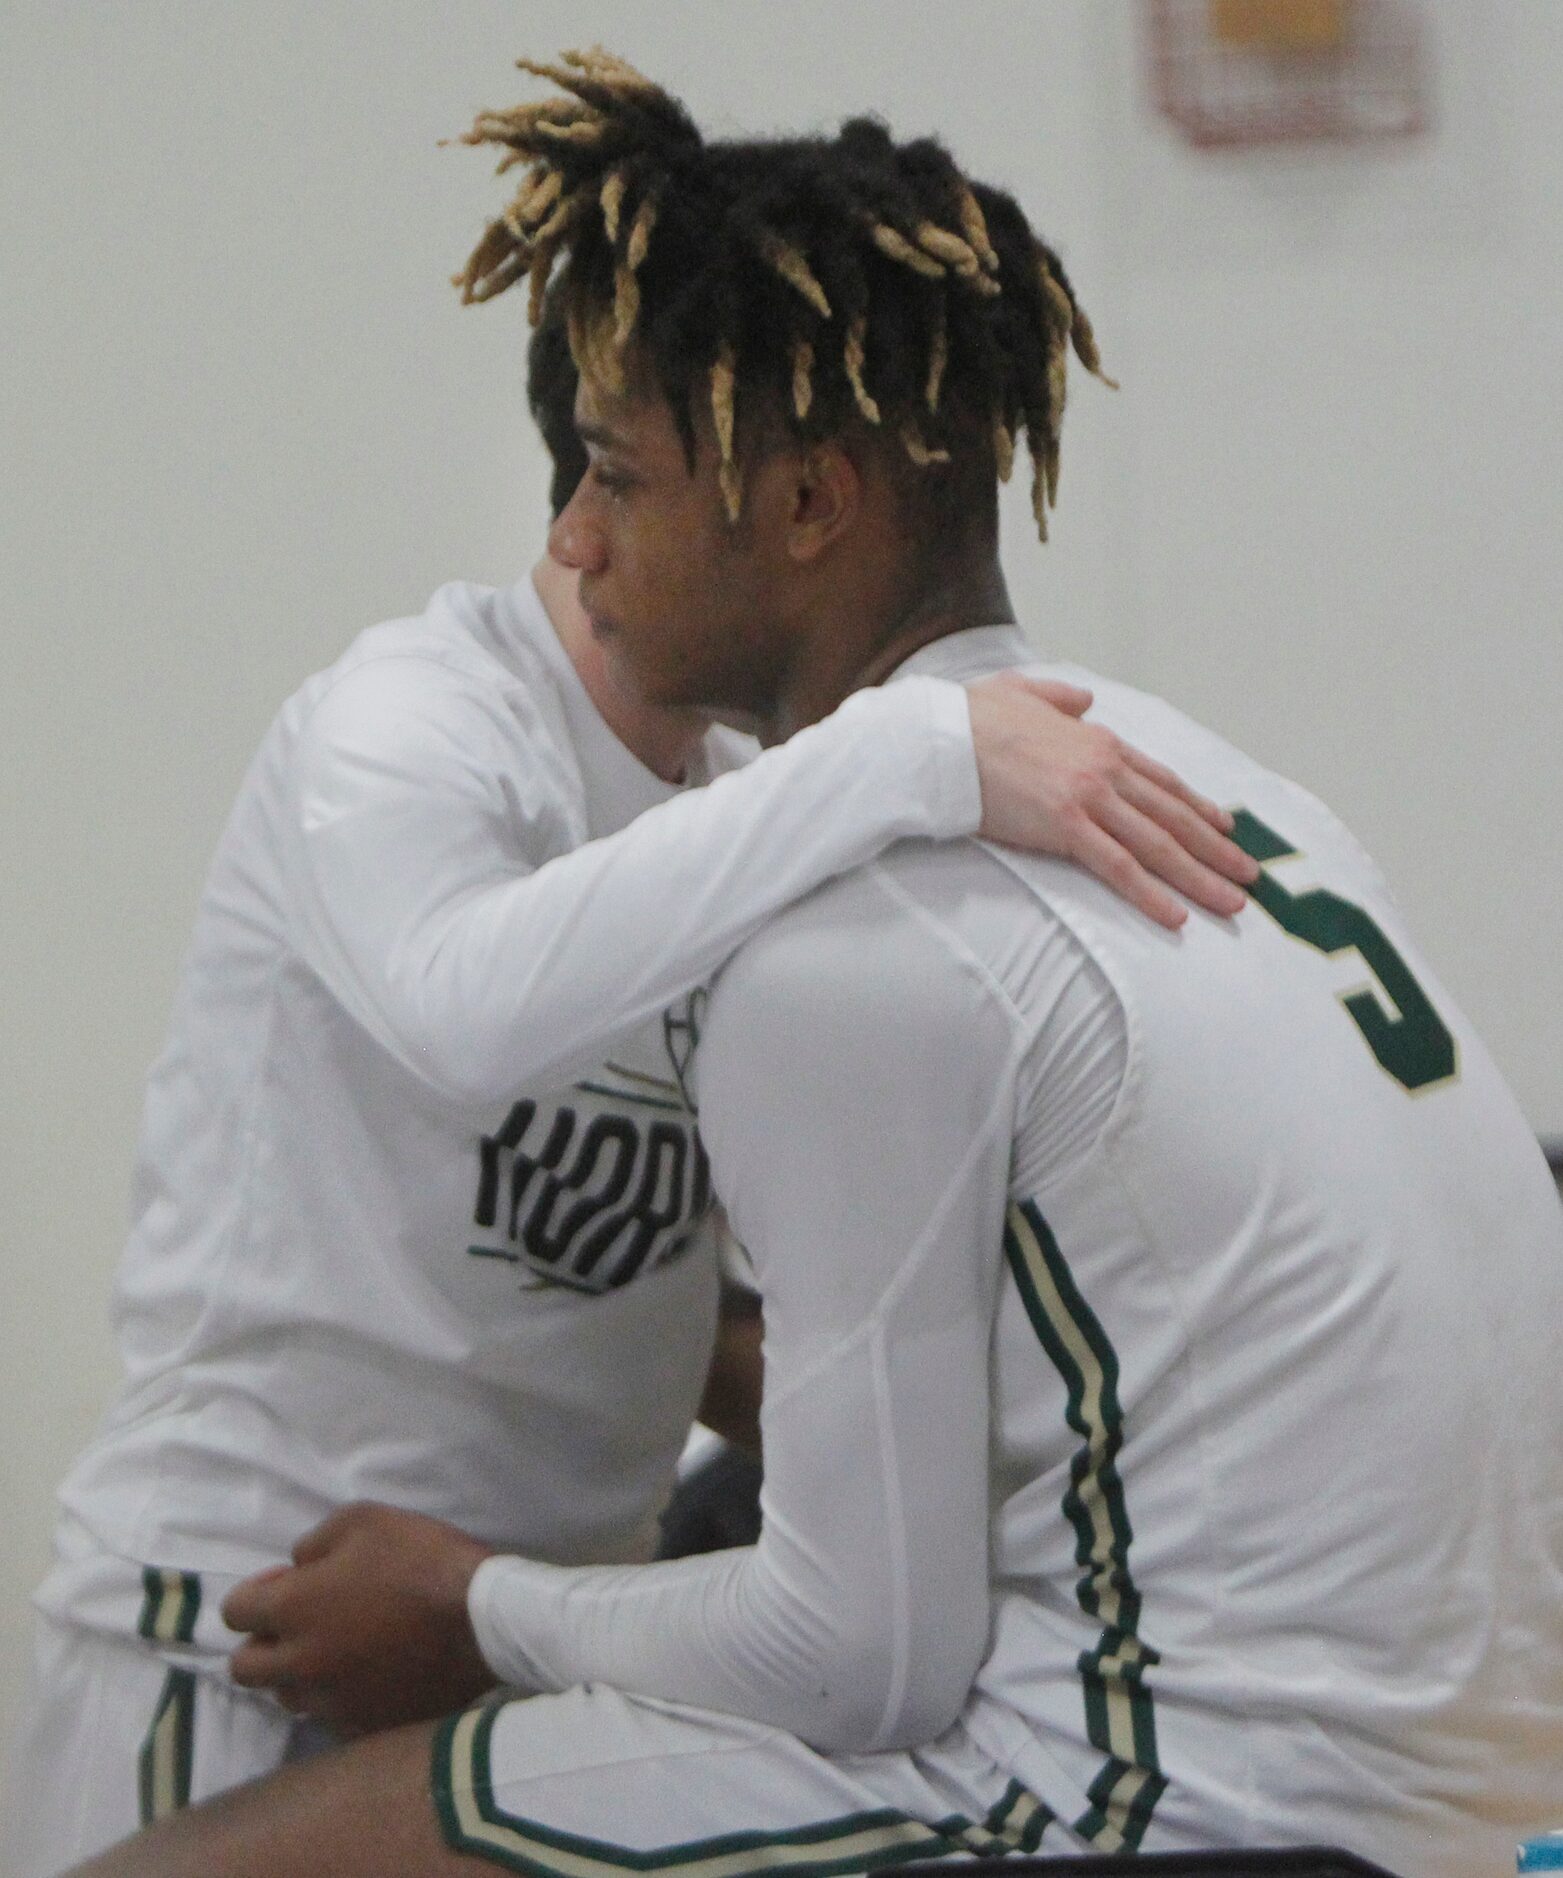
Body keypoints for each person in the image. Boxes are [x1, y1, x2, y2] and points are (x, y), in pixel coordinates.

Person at [66, 49, 1563, 1878]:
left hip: (1191, 1794)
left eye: (620, 470)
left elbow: (851, 1654)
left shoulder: (855, 930)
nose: (574, 535)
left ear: (805, 505)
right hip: (1490, 1785)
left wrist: (481, 1606)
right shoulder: (1224, 778)